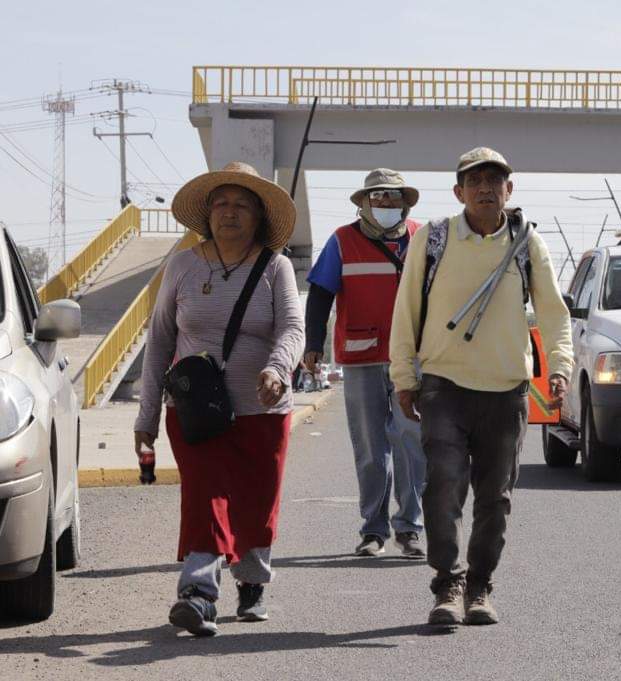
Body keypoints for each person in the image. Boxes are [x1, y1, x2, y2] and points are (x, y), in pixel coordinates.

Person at [389, 147, 573, 626]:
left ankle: (480, 586)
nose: (486, 189)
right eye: (476, 182)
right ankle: (446, 583)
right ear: (459, 192)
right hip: (443, 385)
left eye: (496, 181)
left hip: (506, 389)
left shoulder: (528, 243)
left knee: (496, 496)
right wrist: (403, 377)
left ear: (510, 191)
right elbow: (405, 310)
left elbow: (554, 314)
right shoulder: (433, 239)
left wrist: (559, 366)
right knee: (443, 486)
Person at [134, 161, 304, 637]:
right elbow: (160, 339)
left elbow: (292, 326)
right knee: (206, 495)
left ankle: (251, 582)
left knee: (255, 499)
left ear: (259, 217)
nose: (229, 213)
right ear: (207, 215)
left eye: (241, 205)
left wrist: (277, 367)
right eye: (221, 204)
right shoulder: (183, 265)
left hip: (261, 409)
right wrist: (146, 415)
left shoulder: (276, 267)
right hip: (194, 410)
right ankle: (199, 594)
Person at [304, 169, 427, 558]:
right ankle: (373, 529)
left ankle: (410, 527)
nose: (387, 204)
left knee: (414, 443)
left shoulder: (422, 237)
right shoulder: (341, 241)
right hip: (361, 358)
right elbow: (320, 293)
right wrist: (312, 344)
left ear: (405, 202)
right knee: (372, 448)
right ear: (364, 203)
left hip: (412, 359)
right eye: (379, 198)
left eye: (394, 197)